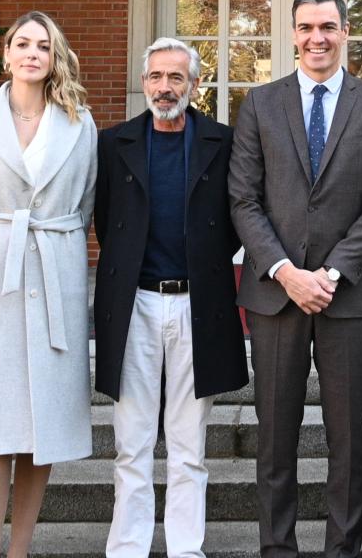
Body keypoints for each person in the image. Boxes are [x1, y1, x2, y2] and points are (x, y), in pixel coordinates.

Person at [229, 0, 362, 558]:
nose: (316, 38)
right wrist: (285, 271)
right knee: (275, 441)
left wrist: (329, 273)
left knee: (348, 440)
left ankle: (342, 549)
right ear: (293, 34)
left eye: (327, 27)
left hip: (346, 296)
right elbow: (243, 200)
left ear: (345, 32)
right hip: (275, 296)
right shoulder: (259, 103)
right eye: (305, 28)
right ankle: (277, 549)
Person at [0, 11, 98, 558]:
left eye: (43, 45)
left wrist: (54, 251)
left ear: (54, 57)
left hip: (56, 273)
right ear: (6, 54)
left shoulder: (80, 123)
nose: (32, 53)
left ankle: (21, 551)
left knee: (44, 427)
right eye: (23, 44)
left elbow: (83, 205)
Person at [95, 37, 249, 558]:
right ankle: (128, 548)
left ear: (195, 84)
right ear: (144, 82)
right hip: (135, 303)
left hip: (197, 304)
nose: (165, 87)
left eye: (176, 78)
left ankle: (186, 548)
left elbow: (233, 222)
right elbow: (106, 219)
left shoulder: (221, 141)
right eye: (157, 77)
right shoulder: (113, 143)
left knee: (189, 442)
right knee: (131, 440)